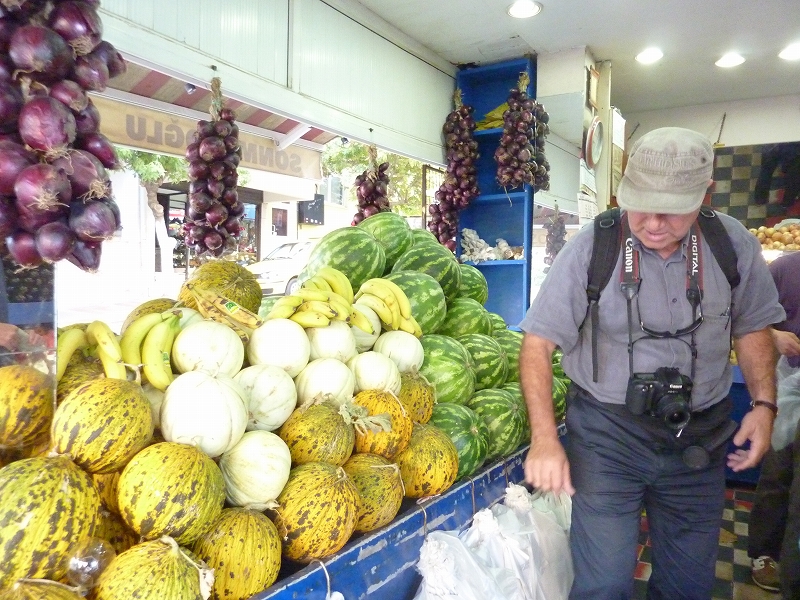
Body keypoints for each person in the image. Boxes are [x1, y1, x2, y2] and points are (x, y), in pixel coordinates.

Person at [519, 126, 785, 600]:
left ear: (705, 195)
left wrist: (764, 405)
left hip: (699, 438)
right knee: (603, 583)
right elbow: (537, 345)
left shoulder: (732, 245)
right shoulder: (593, 248)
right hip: (607, 438)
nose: (654, 223)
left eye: (672, 209)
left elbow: (752, 329)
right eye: (641, 205)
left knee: (688, 585)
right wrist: (544, 439)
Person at [746, 249, 800, 597]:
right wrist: (774, 335)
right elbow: (748, 317)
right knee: (778, 472)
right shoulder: (786, 268)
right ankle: (764, 553)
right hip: (789, 383)